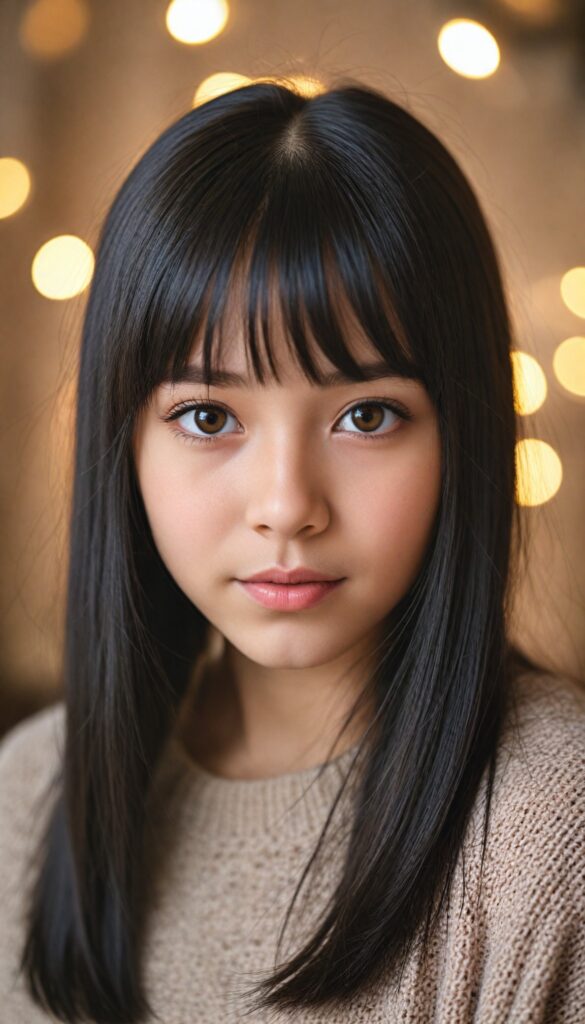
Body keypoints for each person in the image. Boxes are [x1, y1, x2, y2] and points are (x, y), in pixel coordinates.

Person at [0, 78, 584, 1024]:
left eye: (365, 415)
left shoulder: (547, 831)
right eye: (207, 415)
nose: (286, 507)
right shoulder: (30, 794)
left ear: (462, 437)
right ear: (125, 444)